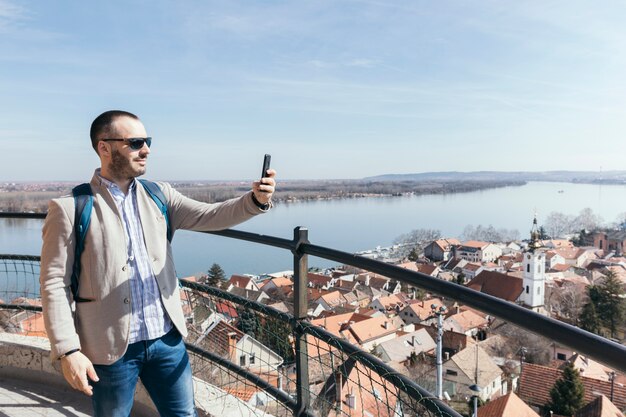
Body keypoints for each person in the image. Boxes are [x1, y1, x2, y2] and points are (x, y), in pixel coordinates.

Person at [39, 110, 276, 416]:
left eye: (147, 141)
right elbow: (54, 283)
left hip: (166, 338)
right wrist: (67, 350)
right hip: (109, 349)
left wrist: (255, 200)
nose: (146, 149)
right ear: (104, 148)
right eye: (136, 142)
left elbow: (212, 215)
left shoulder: (159, 195)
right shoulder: (71, 208)